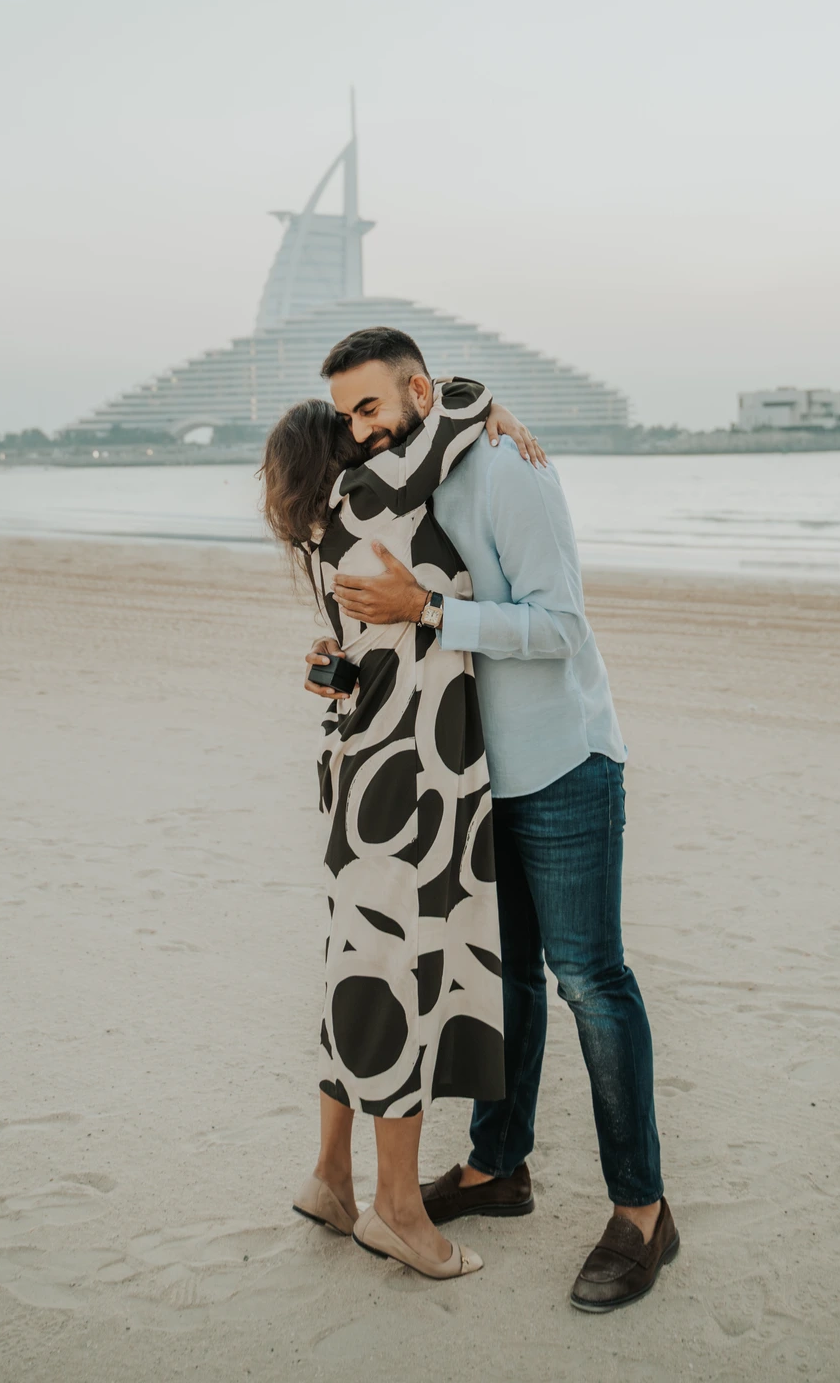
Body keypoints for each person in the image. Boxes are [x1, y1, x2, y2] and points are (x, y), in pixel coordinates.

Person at [305, 327, 678, 1312]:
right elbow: (402, 619)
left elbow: (559, 628)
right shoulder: (408, 474)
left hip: (558, 764)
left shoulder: (505, 468)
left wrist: (423, 608)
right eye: (344, 416)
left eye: (371, 408)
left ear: (419, 391)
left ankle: (641, 1212)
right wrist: (342, 655)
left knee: (589, 982)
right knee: (501, 978)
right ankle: (494, 1169)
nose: (356, 431)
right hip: (462, 776)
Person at [261, 379, 544, 1280]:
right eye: (351, 427)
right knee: (401, 985)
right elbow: (442, 403)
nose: (368, 435)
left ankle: (330, 1180)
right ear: (338, 454)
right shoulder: (372, 497)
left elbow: (362, 658)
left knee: (361, 969)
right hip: (409, 785)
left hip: (367, 778)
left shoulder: (331, 529)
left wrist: (333, 674)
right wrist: (485, 403)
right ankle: (395, 1210)